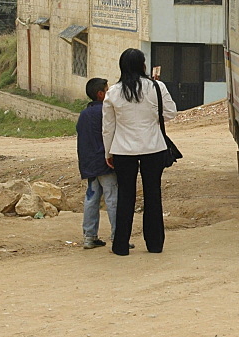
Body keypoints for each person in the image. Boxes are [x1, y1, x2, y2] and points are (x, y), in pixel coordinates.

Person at [102, 48, 177, 256]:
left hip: (123, 150)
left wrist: (108, 153)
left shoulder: (113, 92)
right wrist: (152, 115)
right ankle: (155, 244)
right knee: (153, 194)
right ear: (143, 65)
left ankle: (121, 246)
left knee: (126, 196)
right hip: (153, 147)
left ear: (122, 66)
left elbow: (108, 127)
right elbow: (170, 113)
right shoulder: (156, 86)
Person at [76, 77, 119, 249]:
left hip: (89, 163)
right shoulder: (106, 112)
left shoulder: (84, 114)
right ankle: (117, 236)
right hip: (105, 162)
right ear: (101, 94)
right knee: (112, 199)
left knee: (91, 199)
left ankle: (89, 236)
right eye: (107, 90)